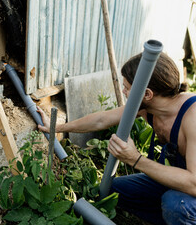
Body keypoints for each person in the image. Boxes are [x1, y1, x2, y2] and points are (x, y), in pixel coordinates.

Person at [38, 52, 196, 225]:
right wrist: (56, 127)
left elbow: (193, 183)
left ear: (147, 94)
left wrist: (135, 159)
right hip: (184, 184)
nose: (123, 91)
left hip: (190, 189)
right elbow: (101, 120)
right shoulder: (148, 107)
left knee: (176, 204)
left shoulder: (192, 117)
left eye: (127, 87)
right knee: (117, 189)